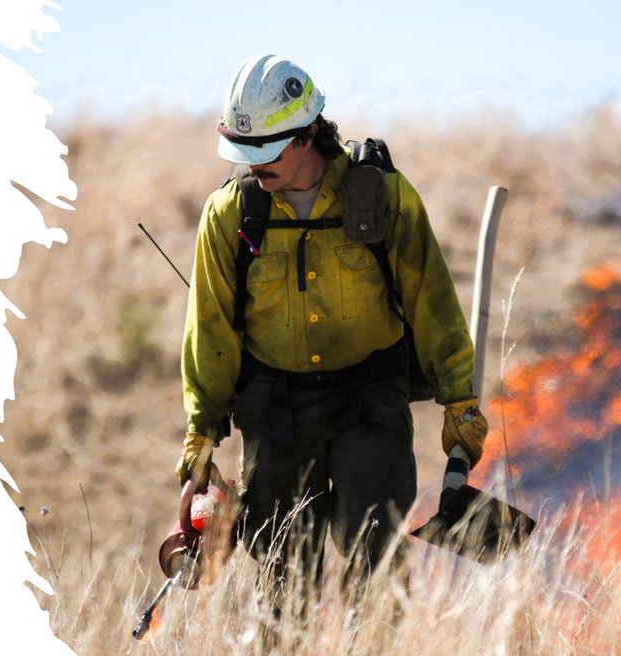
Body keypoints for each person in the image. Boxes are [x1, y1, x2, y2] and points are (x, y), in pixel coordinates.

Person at [173, 55, 489, 610]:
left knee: (374, 544)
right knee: (282, 568)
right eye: (246, 153)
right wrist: (202, 430)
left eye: (267, 151)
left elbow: (432, 302)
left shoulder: (383, 197)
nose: (255, 166)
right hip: (274, 409)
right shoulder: (230, 215)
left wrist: (460, 401)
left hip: (369, 399)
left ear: (307, 134)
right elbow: (211, 329)